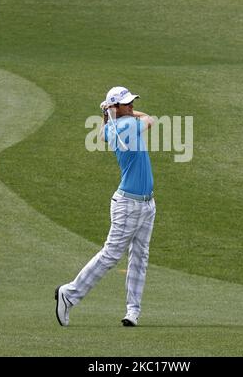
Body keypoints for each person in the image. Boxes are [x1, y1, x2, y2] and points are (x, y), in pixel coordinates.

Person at [55, 86, 156, 327]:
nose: (131, 106)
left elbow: (103, 134)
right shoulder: (127, 126)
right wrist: (115, 112)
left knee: (140, 257)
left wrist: (110, 113)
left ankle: (133, 311)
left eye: (132, 102)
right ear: (116, 108)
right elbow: (150, 119)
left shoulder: (112, 128)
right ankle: (69, 294)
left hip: (146, 203)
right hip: (128, 205)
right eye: (126, 103)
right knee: (111, 254)